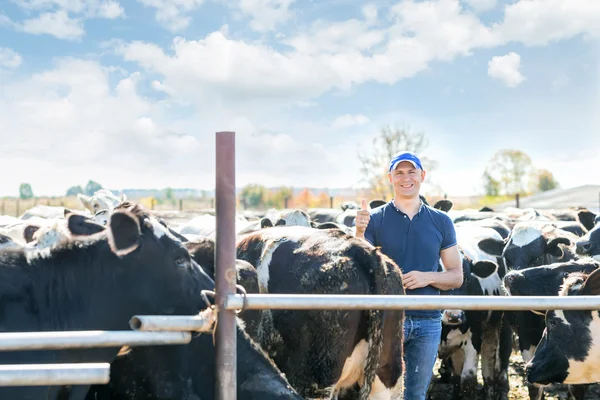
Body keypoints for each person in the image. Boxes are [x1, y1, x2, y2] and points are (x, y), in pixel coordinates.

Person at [355, 151, 463, 400]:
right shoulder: (375, 219)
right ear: (390, 178)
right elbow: (362, 266)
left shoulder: (441, 221)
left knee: (416, 394)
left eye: (411, 172)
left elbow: (456, 276)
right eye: (399, 173)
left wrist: (428, 277)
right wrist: (359, 232)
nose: (406, 178)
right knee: (380, 394)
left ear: (422, 176)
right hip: (386, 320)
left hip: (428, 320)